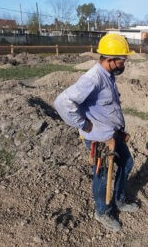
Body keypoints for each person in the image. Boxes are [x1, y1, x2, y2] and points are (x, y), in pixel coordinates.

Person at [54, 33, 139, 232]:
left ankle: (119, 199)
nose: (124, 64)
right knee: (101, 176)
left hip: (113, 134)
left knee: (127, 163)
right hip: (98, 139)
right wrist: (84, 125)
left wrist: (120, 129)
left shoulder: (107, 75)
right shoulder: (93, 78)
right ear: (110, 60)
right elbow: (62, 102)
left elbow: (106, 106)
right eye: (122, 61)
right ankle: (102, 211)